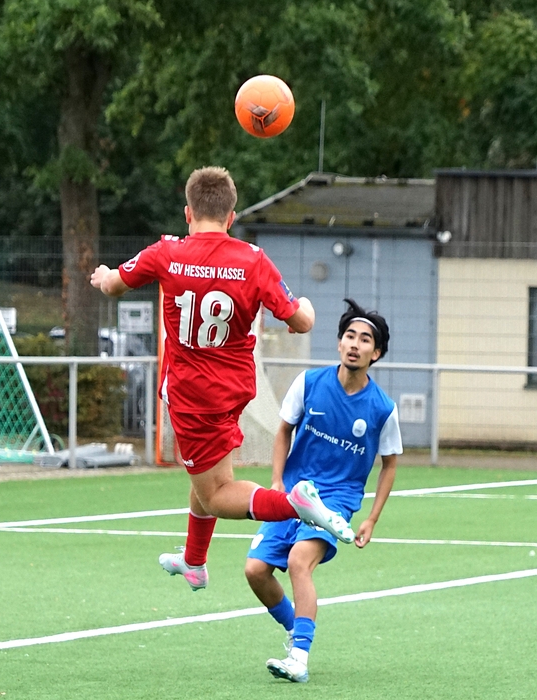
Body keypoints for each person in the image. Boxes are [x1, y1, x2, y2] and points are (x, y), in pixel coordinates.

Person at [90, 166, 353, 592]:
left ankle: (294, 504)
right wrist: (305, 303)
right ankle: (194, 562)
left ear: (187, 213)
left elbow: (114, 286)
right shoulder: (253, 260)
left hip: (191, 397)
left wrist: (104, 275)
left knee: (216, 494)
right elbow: (301, 321)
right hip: (234, 392)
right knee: (205, 477)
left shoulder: (167, 251)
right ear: (231, 217)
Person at [244, 298, 402, 684]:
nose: (355, 344)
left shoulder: (383, 409)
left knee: (299, 560)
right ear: (339, 342)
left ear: (376, 353)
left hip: (336, 500)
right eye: (349, 336)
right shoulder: (309, 383)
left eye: (365, 339)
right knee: (255, 571)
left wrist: (372, 518)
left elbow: (390, 464)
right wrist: (277, 481)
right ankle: (294, 627)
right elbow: (283, 430)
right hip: (294, 493)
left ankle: (299, 658)